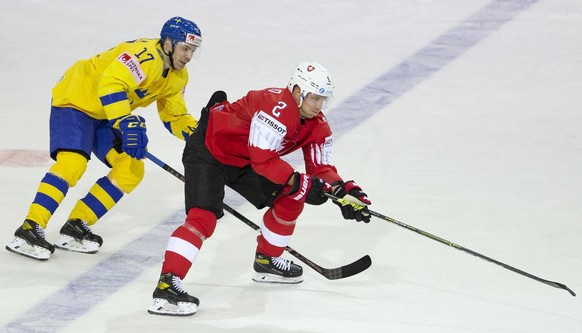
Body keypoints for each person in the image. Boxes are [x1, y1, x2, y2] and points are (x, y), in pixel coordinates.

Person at [147, 61, 372, 316]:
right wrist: (301, 183)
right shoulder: (275, 107)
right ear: (297, 92)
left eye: (324, 99)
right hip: (210, 149)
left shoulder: (316, 124)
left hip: (245, 159)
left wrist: (343, 191)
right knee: (203, 218)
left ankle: (267, 260)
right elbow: (263, 159)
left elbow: (321, 168)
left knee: (291, 198)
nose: (319, 106)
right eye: (314, 98)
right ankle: (167, 285)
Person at [5, 17, 203, 261]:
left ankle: (76, 224)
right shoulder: (143, 55)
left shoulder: (178, 77)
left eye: (193, 50)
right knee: (72, 164)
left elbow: (174, 116)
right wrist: (124, 122)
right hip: (76, 101)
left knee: (130, 169)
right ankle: (29, 227)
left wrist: (200, 136)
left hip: (106, 112)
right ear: (169, 44)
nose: (189, 56)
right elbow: (111, 84)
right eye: (185, 48)